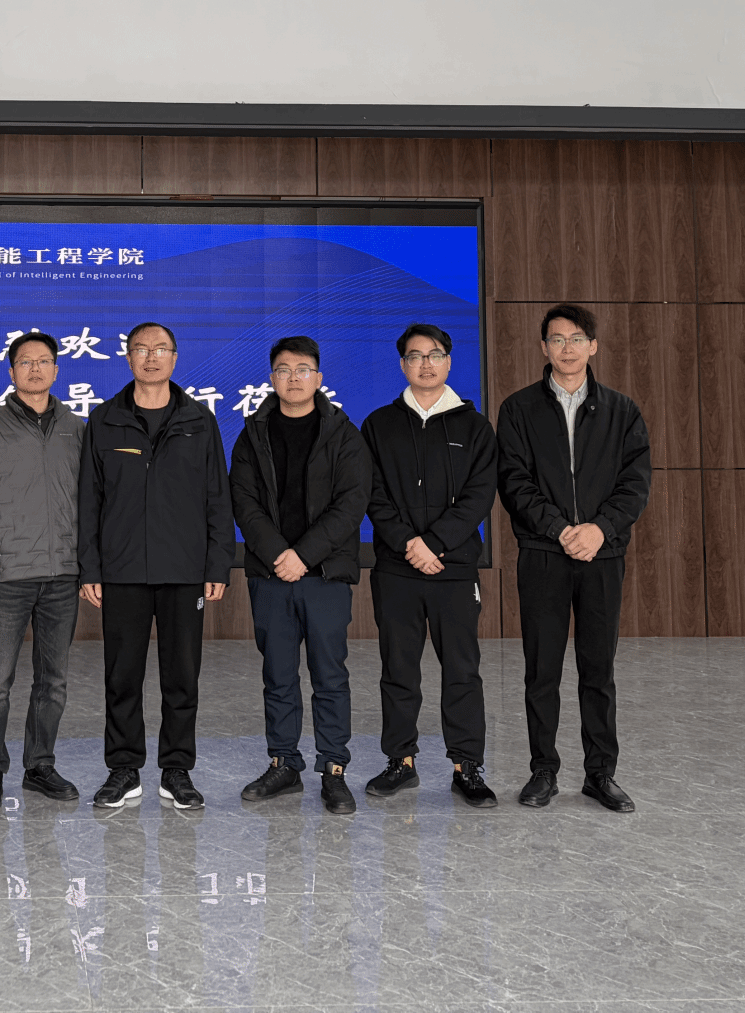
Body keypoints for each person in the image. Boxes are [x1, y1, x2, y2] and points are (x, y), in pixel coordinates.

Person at [497, 303, 652, 813]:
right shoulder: (518, 409)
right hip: (544, 553)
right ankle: (543, 771)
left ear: (594, 346)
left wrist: (599, 529)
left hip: (602, 556)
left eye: (577, 338)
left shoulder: (622, 411)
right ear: (543, 347)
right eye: (557, 339)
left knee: (597, 668)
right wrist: (561, 530)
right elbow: (514, 483)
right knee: (541, 669)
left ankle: (600, 774)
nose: (567, 348)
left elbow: (635, 484)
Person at [78, 321, 234, 811]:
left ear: (175, 357)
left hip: (184, 569)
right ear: (128, 358)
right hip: (121, 569)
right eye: (141, 349)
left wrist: (218, 564)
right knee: (121, 675)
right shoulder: (105, 419)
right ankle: (123, 769)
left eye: (160, 349)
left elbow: (217, 496)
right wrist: (90, 568)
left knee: (181, 676)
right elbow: (89, 500)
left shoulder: (198, 420)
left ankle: (177, 769)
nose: (151, 357)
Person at [228, 336, 371, 816]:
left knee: (330, 675)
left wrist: (303, 556)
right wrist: (279, 555)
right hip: (271, 575)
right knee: (278, 675)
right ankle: (284, 763)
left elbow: (351, 503)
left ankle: (333, 768)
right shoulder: (253, 434)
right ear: (272, 378)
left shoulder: (343, 433)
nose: (293, 377)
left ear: (319, 378)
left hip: (324, 574)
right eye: (284, 369)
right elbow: (244, 502)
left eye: (303, 369)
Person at [359, 323, 500, 808]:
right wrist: (408, 544)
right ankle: (401, 762)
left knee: (462, 670)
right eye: (415, 356)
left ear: (449, 362)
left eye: (435, 354)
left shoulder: (475, 427)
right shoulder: (379, 424)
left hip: (454, 569)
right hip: (396, 569)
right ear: (402, 364)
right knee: (398, 670)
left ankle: (467, 766)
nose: (426, 364)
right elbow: (372, 494)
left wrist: (435, 544)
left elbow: (480, 496)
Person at [0, 331, 88, 809]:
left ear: (57, 370)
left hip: (62, 576)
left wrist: (88, 568)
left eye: (44, 361)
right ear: (11, 372)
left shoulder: (77, 429)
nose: (35, 369)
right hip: (5, 577)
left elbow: (93, 504)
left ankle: (40, 766)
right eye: (25, 362)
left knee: (53, 681)